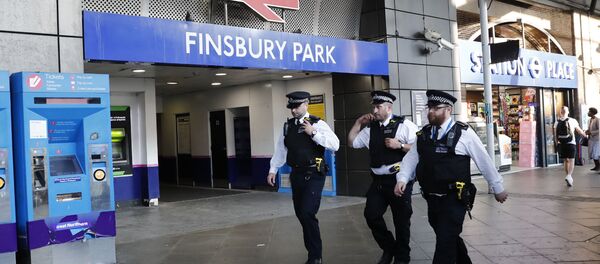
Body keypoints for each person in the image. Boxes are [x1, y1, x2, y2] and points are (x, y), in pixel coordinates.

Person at [393, 90, 508, 264]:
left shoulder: (464, 133)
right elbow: (411, 159)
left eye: (435, 108)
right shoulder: (424, 134)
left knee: (444, 246)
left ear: (448, 109)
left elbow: (483, 161)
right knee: (448, 237)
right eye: (429, 107)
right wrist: (402, 178)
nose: (430, 111)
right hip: (432, 199)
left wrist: (497, 187)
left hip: (455, 200)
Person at [267, 91, 340, 264]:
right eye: (291, 107)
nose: (293, 110)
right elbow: (281, 150)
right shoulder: (287, 126)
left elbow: (335, 144)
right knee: (301, 214)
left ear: (306, 104)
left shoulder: (317, 123)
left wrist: (313, 133)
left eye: (296, 106)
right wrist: (273, 170)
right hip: (297, 175)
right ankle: (313, 253)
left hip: (314, 174)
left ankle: (315, 257)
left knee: (307, 213)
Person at [347, 91, 418, 264]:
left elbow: (420, 148)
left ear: (388, 107)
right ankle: (389, 248)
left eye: (378, 106)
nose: (375, 110)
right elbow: (352, 142)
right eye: (374, 106)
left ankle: (402, 257)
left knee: (401, 221)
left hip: (399, 180)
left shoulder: (404, 125)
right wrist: (358, 124)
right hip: (378, 181)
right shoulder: (370, 128)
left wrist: (400, 145)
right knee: (371, 215)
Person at [554, 106, 587, 186]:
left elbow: (555, 135)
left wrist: (556, 145)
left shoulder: (557, 122)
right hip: (571, 143)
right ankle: (569, 176)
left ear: (561, 112)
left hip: (561, 143)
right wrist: (585, 135)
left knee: (566, 160)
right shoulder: (572, 120)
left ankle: (568, 176)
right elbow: (579, 131)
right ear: (567, 112)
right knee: (571, 160)